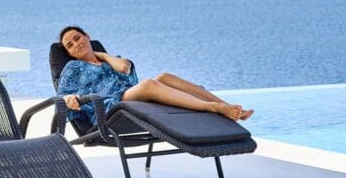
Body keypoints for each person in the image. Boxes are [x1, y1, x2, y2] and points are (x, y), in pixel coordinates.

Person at [57, 25, 254, 126]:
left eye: (77, 38)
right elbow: (62, 94)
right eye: (70, 45)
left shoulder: (108, 59)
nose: (76, 44)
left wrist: (100, 55)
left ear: (87, 36)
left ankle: (226, 105)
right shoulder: (73, 67)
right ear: (69, 52)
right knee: (149, 84)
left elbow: (125, 68)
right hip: (109, 106)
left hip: (128, 94)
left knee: (165, 76)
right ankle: (212, 107)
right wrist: (70, 99)